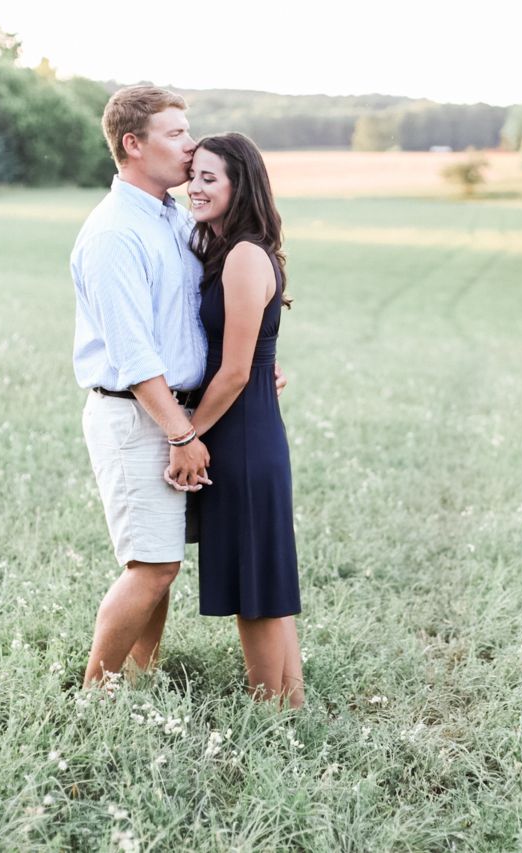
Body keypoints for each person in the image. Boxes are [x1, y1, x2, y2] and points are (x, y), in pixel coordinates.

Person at [71, 87, 284, 689]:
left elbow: (201, 312)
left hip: (182, 414)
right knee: (152, 565)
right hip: (142, 416)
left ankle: (140, 681)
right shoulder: (115, 232)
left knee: (160, 561)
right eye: (175, 134)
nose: (190, 147)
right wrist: (181, 432)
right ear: (133, 145)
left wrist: (257, 359)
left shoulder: (172, 216)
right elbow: (134, 354)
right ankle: (98, 694)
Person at [182, 133, 304, 708]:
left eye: (211, 178)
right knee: (265, 580)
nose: (196, 187)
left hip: (242, 434)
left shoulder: (244, 255)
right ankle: (289, 706)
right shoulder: (230, 249)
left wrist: (187, 435)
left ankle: (273, 712)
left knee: (258, 586)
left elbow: (233, 371)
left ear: (240, 184)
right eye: (194, 175)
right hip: (247, 425)